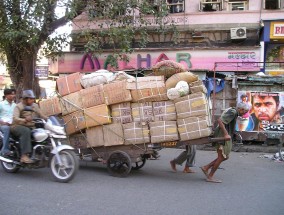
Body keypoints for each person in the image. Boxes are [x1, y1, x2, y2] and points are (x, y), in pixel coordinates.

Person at [200, 102, 250, 183]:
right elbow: (220, 121)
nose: (245, 113)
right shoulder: (233, 112)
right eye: (245, 111)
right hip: (222, 136)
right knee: (221, 157)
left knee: (225, 157)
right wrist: (226, 134)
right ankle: (210, 176)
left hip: (225, 136)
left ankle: (206, 167)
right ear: (241, 109)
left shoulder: (234, 112)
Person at [11, 89, 47, 163]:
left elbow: (41, 114)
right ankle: (24, 156)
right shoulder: (19, 106)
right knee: (26, 131)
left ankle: (41, 151)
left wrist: (48, 119)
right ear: (25, 99)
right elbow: (15, 118)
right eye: (30, 99)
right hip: (17, 126)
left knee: (44, 131)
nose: (32, 100)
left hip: (31, 126)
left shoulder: (35, 106)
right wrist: (25, 120)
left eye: (33, 99)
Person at [0, 89, 16, 156]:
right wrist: (2, 122)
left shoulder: (15, 105)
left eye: (14, 94)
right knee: (7, 129)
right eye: (11, 94)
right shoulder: (1, 104)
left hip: (13, 124)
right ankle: (5, 150)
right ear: (6, 95)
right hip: (2, 125)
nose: (13, 96)